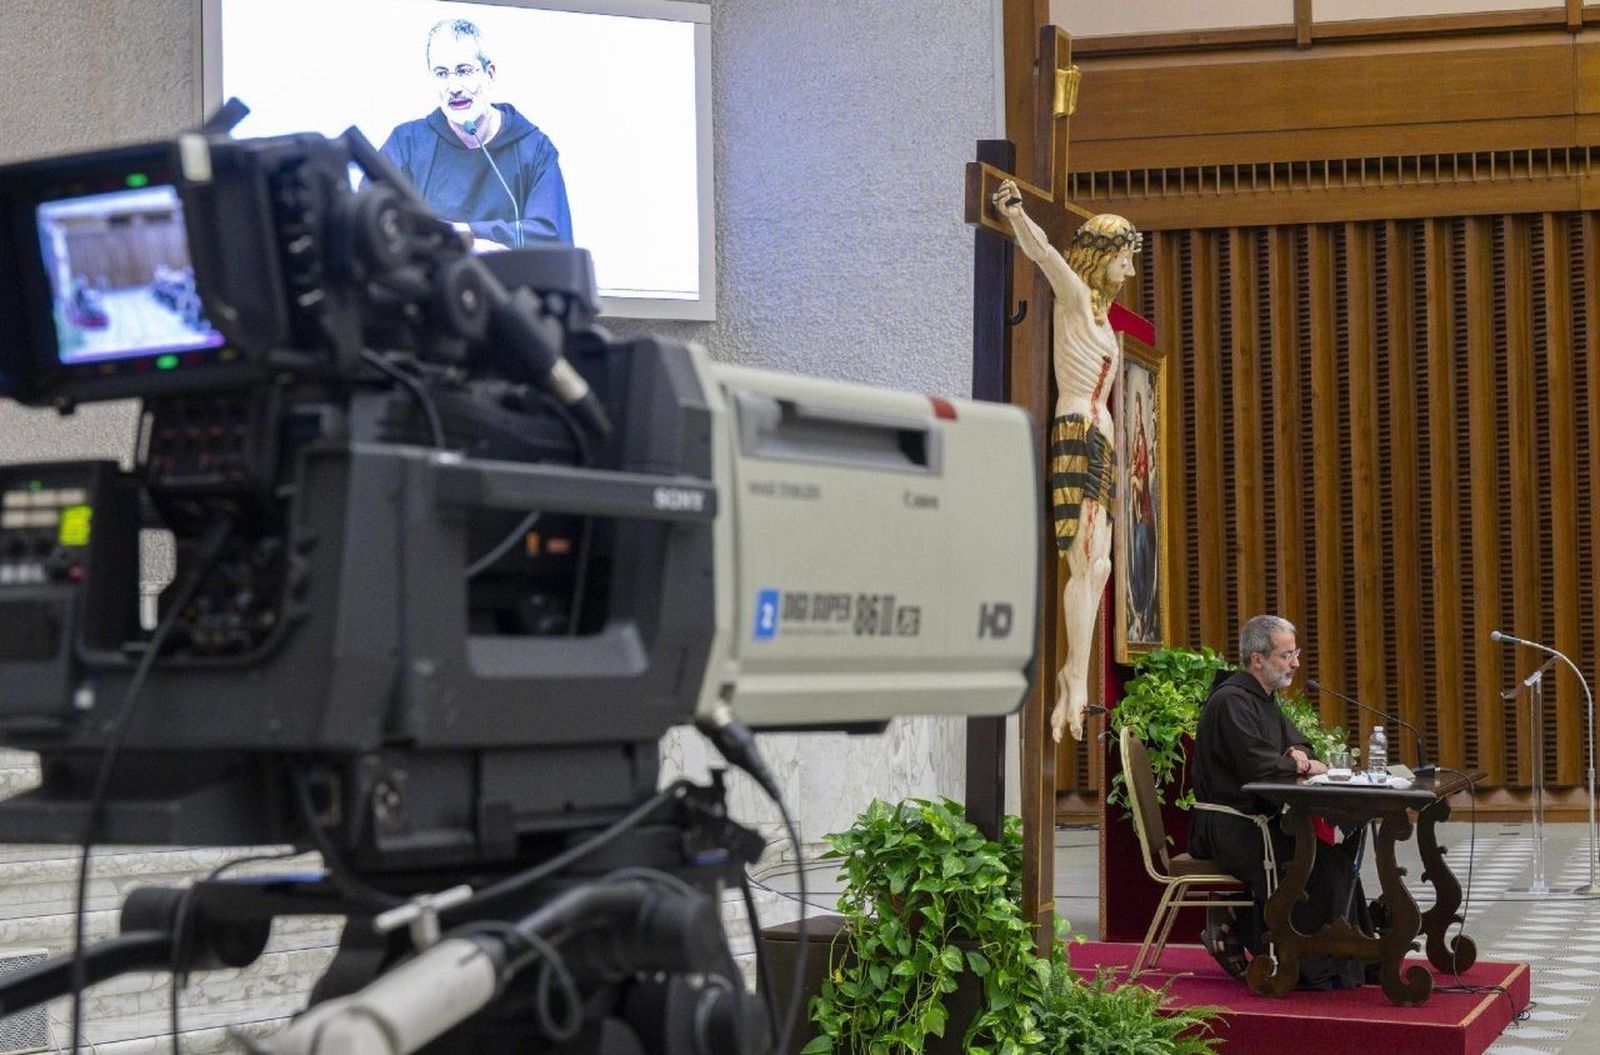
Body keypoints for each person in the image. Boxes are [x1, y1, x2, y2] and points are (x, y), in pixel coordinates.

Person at [991, 178, 1140, 742]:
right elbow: (1043, 253)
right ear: (1103, 258)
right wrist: (1015, 213)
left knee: (1100, 565)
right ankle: (1072, 678)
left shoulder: (1109, 322)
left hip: (1099, 430)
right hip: (1075, 427)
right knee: (1083, 560)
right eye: (1124, 258)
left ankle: (1075, 671)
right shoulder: (1075, 298)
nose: (1128, 270)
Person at [1190, 614, 1372, 989]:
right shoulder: (1231, 702)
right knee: (1317, 869)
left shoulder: (1264, 700)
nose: (1296, 664)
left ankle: (1345, 962)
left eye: (1296, 653)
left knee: (1336, 863)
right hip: (1231, 826)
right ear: (1257, 659)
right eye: (1286, 655)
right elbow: (1257, 764)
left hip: (1258, 821)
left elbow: (1301, 744)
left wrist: (1298, 755)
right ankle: (1297, 964)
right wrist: (1297, 760)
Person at [378, 18, 574, 251]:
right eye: (442, 74)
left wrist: (470, 234)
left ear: (489, 74)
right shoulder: (406, 146)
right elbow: (373, 219)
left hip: (508, 284)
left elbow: (551, 238)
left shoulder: (534, 150)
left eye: (463, 71)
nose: (454, 87)